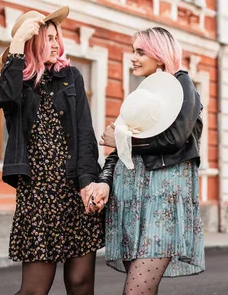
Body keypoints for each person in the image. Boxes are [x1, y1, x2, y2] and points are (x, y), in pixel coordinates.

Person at [0, 6, 104, 295]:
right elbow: (7, 99)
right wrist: (16, 46)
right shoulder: (14, 80)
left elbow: (84, 133)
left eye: (57, 38)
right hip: (38, 194)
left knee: (80, 284)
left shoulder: (71, 77)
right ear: (32, 43)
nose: (56, 44)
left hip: (74, 188)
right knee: (34, 290)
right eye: (48, 38)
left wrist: (89, 181)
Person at [87, 26, 205, 295]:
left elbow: (175, 138)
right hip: (131, 202)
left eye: (141, 51)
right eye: (133, 51)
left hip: (161, 202)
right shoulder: (144, 93)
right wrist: (104, 180)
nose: (133, 57)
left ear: (160, 55)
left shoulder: (182, 84)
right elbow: (120, 150)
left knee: (136, 291)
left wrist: (122, 140)